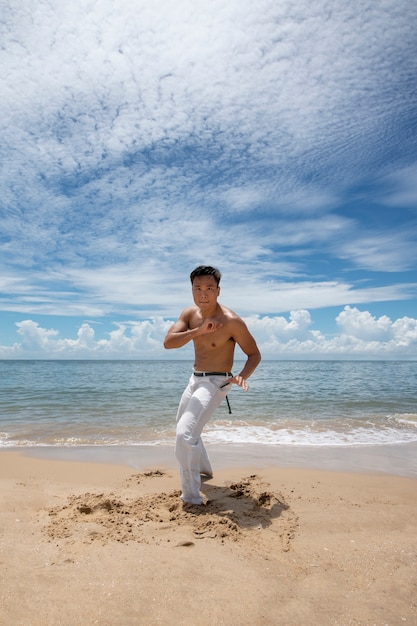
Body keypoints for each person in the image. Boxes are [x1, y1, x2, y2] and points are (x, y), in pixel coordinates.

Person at [163, 265, 261, 505]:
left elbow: (254, 354)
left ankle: (191, 497)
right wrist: (198, 331)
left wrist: (241, 376)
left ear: (218, 291)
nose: (203, 293)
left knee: (184, 435)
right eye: (197, 288)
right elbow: (168, 343)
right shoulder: (190, 314)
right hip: (194, 379)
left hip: (217, 381)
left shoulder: (231, 321)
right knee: (185, 427)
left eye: (209, 288)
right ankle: (204, 470)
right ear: (192, 291)